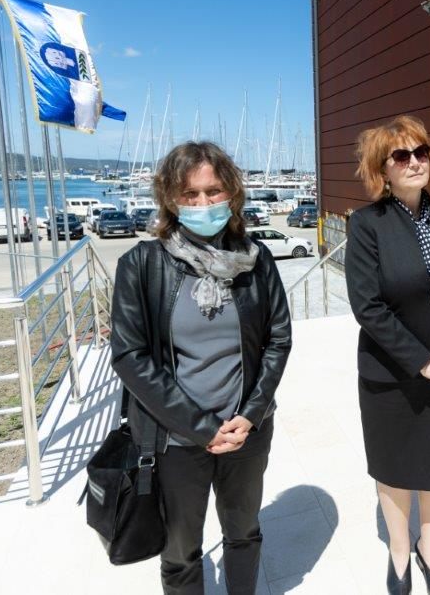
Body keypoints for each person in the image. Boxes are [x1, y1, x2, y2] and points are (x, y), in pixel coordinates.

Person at [110, 141, 292, 594]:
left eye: (213, 191)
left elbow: (278, 339)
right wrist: (202, 428)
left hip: (245, 432)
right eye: (190, 194)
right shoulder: (142, 265)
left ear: (231, 193)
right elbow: (130, 356)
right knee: (180, 551)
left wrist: (251, 414)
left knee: (244, 532)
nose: (203, 203)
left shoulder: (256, 261)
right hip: (175, 439)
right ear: (170, 200)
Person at [345, 115, 430, 595]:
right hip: (393, 374)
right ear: (382, 169)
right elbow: (368, 307)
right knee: (394, 468)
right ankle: (400, 551)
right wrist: (426, 363)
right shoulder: (367, 225)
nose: (414, 162)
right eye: (401, 156)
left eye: (421, 152)